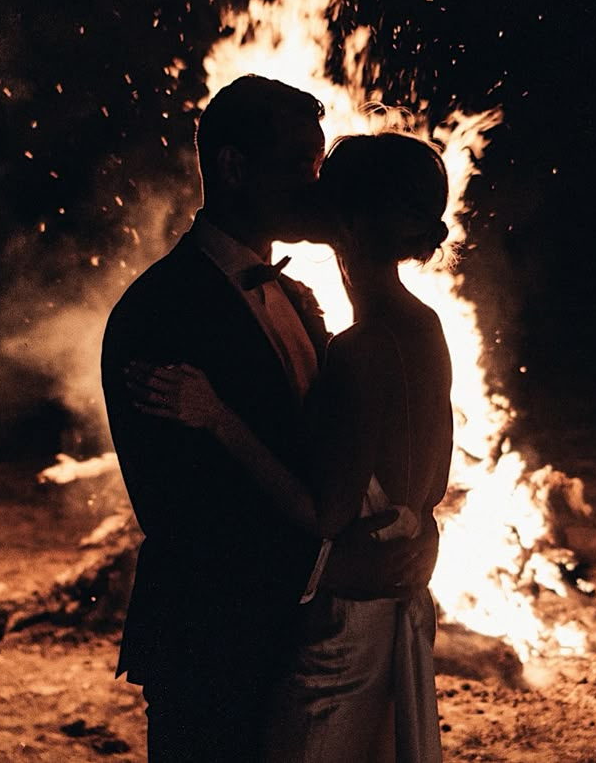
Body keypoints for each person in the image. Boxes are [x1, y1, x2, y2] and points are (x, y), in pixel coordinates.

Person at [101, 77, 440, 763]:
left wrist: (416, 529)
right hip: (212, 651)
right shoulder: (158, 312)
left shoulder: (298, 296)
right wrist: (332, 568)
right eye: (300, 166)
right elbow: (180, 513)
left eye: (321, 167)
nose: (316, 186)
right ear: (233, 166)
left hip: (305, 643)